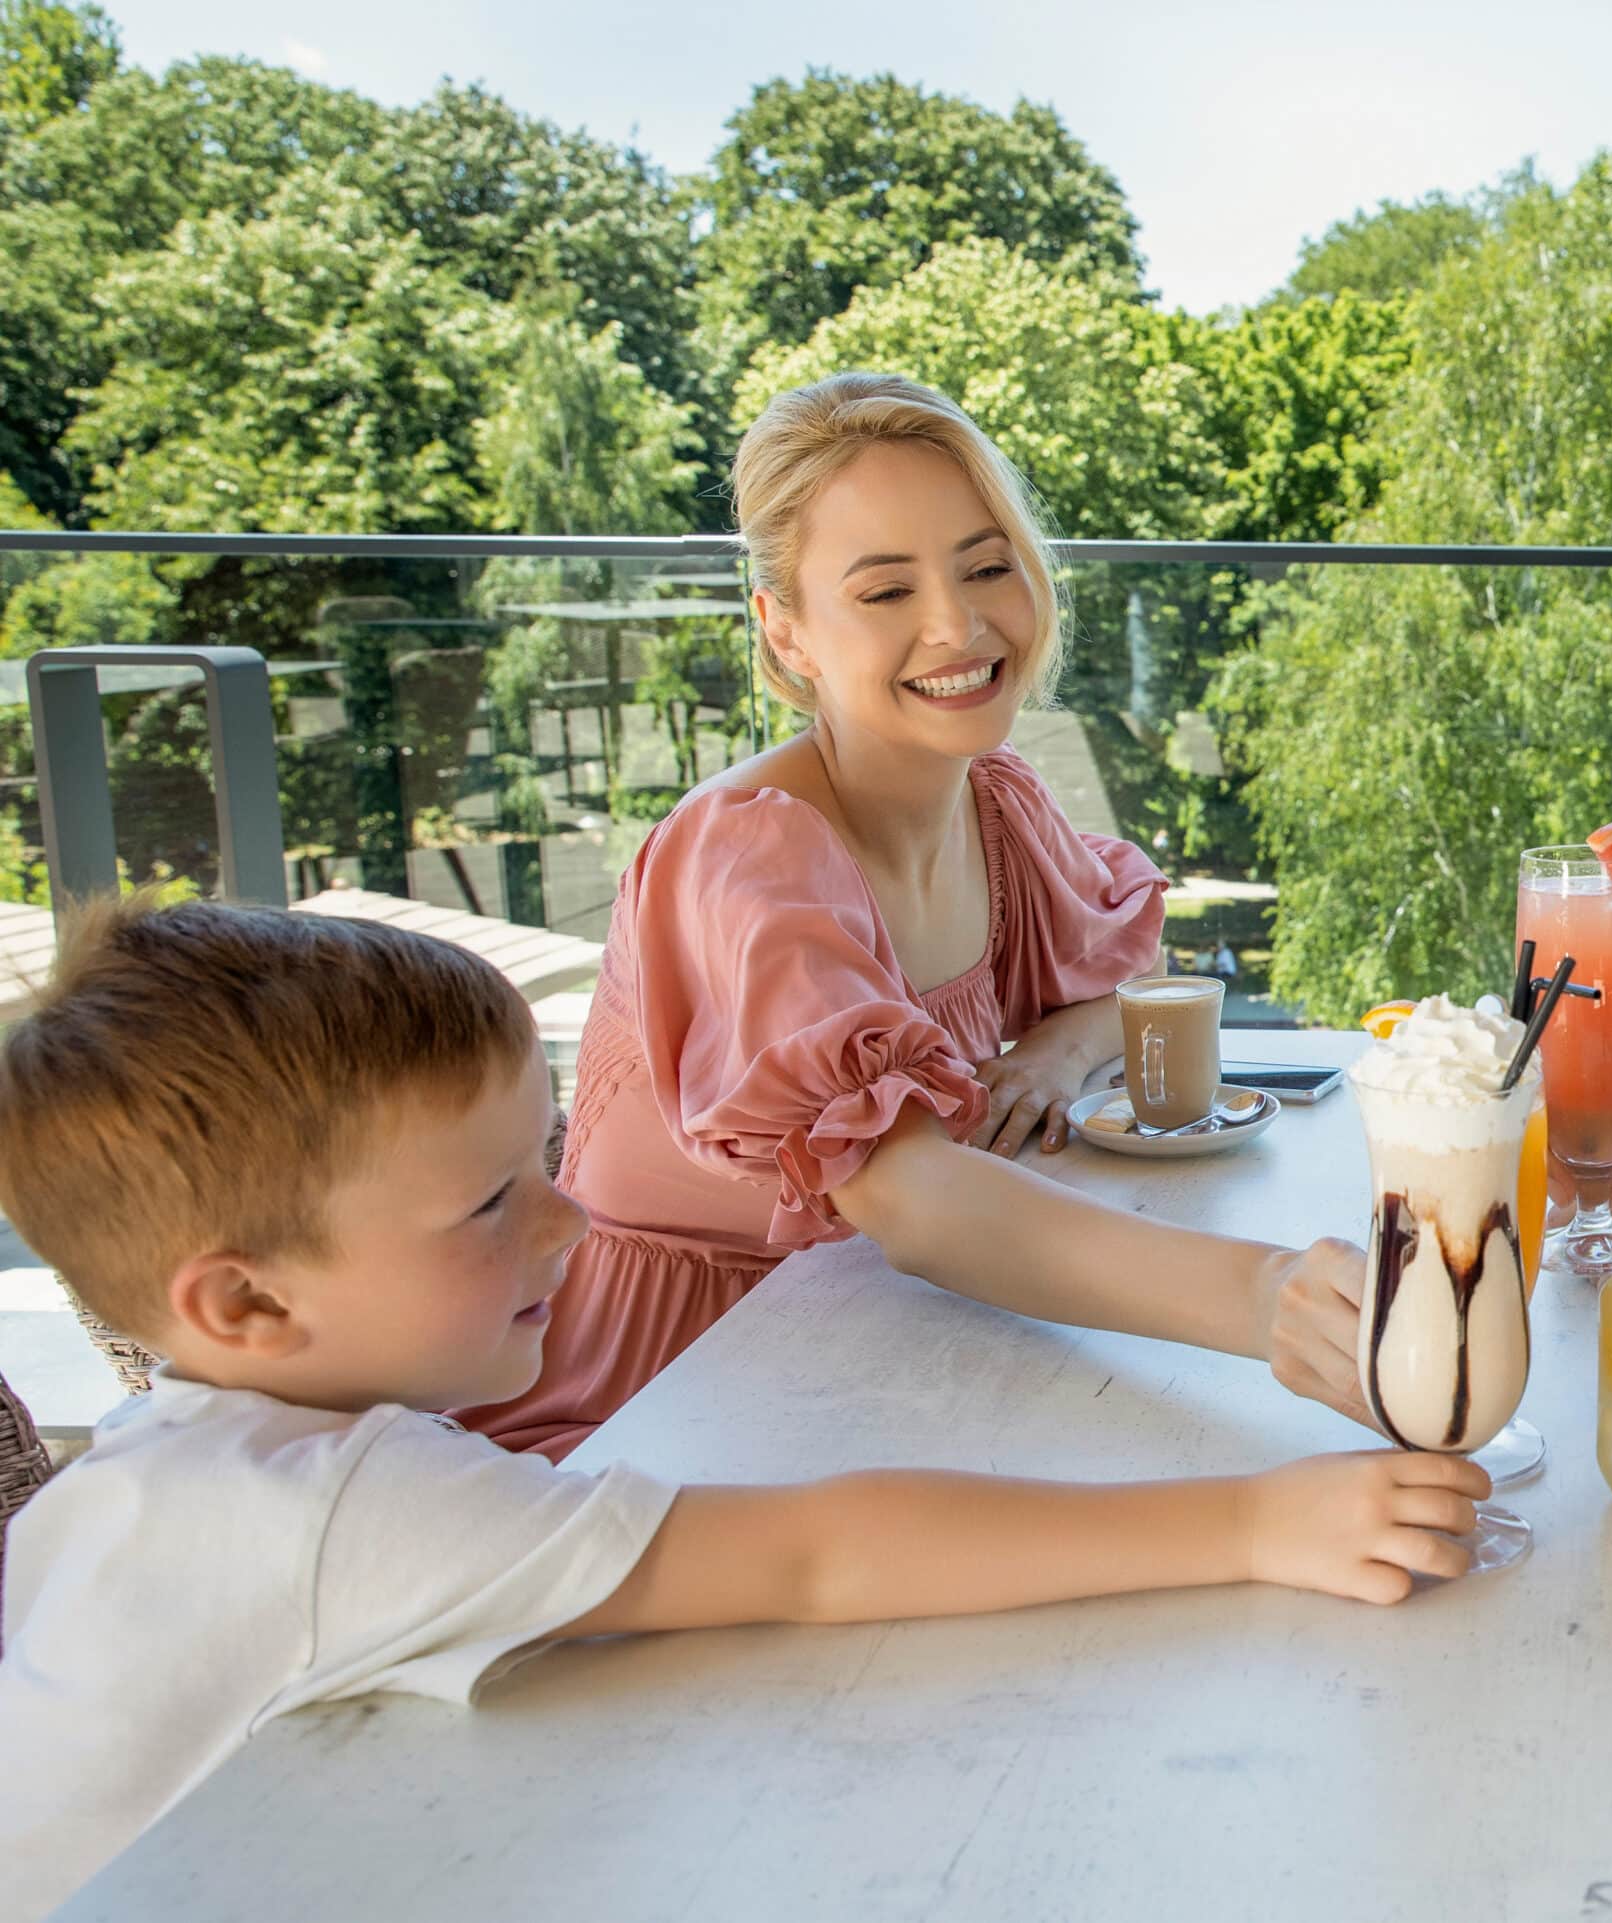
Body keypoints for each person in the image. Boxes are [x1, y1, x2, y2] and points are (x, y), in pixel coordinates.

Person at [0, 900, 1490, 1921]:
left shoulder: (150, 1470)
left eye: (551, 1154)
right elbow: (817, 1553)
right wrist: (1255, 1515)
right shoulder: (342, 1509)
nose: (570, 1217)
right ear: (245, 1305)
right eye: (490, 1200)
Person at [455, 373, 1365, 1458]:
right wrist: (1272, 1299)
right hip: (672, 1400)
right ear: (785, 633)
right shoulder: (746, 857)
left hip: (892, 1338)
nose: (958, 624)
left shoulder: (996, 800)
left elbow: (1124, 978)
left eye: (987, 567)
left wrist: (1054, 1061)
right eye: (886, 593)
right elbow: (918, 1203)